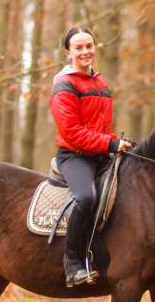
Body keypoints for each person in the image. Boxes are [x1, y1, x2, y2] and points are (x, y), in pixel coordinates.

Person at [50, 26, 132, 287]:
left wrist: (118, 144)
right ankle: (72, 263)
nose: (85, 51)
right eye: (79, 47)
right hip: (74, 156)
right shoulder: (64, 84)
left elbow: (102, 126)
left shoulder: (99, 82)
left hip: (100, 152)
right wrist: (109, 143)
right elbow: (72, 132)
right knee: (87, 197)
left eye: (88, 46)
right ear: (68, 53)